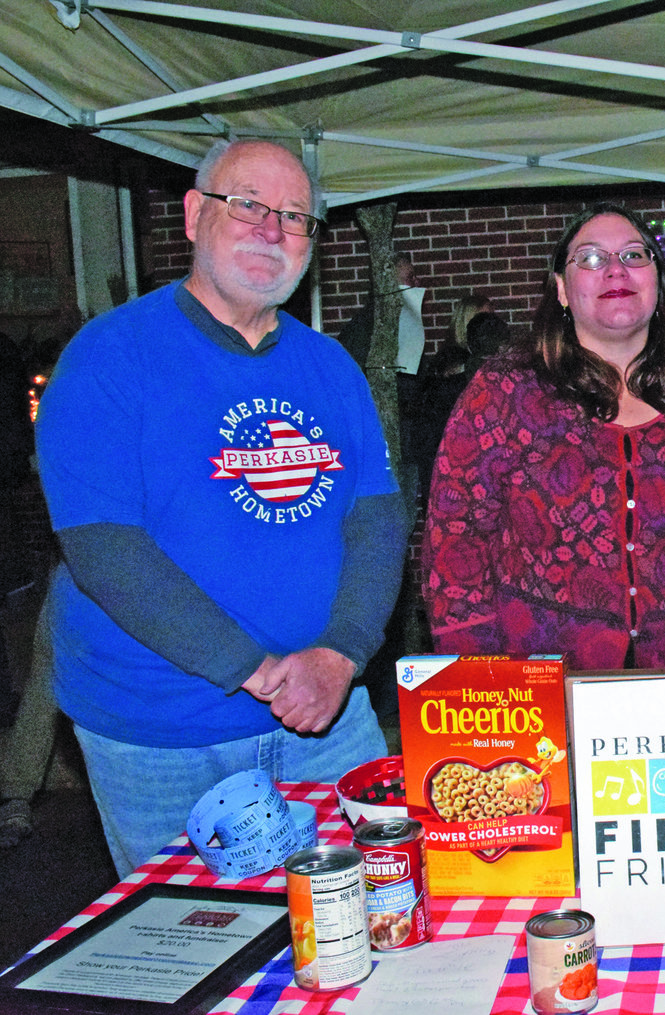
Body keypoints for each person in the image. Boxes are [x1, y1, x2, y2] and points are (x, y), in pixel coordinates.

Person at [35, 139, 407, 877]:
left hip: (327, 719)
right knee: (200, 951)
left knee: (376, 914)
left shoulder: (329, 365)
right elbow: (105, 547)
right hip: (160, 730)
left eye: (296, 216)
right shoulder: (109, 355)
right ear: (195, 214)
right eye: (249, 206)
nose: (273, 230)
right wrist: (256, 669)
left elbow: (377, 518)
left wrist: (341, 653)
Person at [423, 204, 665, 669]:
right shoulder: (505, 393)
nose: (615, 270)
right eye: (590, 258)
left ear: (657, 282)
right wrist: (479, 677)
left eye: (634, 255)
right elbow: (455, 539)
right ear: (562, 291)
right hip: (538, 689)